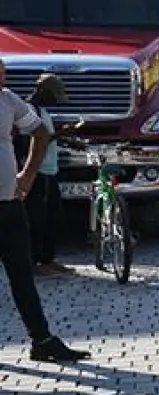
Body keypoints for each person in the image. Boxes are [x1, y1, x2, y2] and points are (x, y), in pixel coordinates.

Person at [0, 61, 90, 362]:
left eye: (3, 69)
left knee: (22, 273)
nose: (3, 73)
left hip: (9, 203)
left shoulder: (8, 99)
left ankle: (42, 339)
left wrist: (27, 175)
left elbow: (38, 133)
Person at [23, 75, 68, 276]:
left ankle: (47, 259)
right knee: (35, 218)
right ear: (42, 91)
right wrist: (58, 135)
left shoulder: (43, 112)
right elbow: (28, 142)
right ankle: (32, 262)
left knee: (52, 215)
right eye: (53, 96)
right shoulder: (28, 111)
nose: (55, 101)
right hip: (37, 171)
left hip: (49, 170)